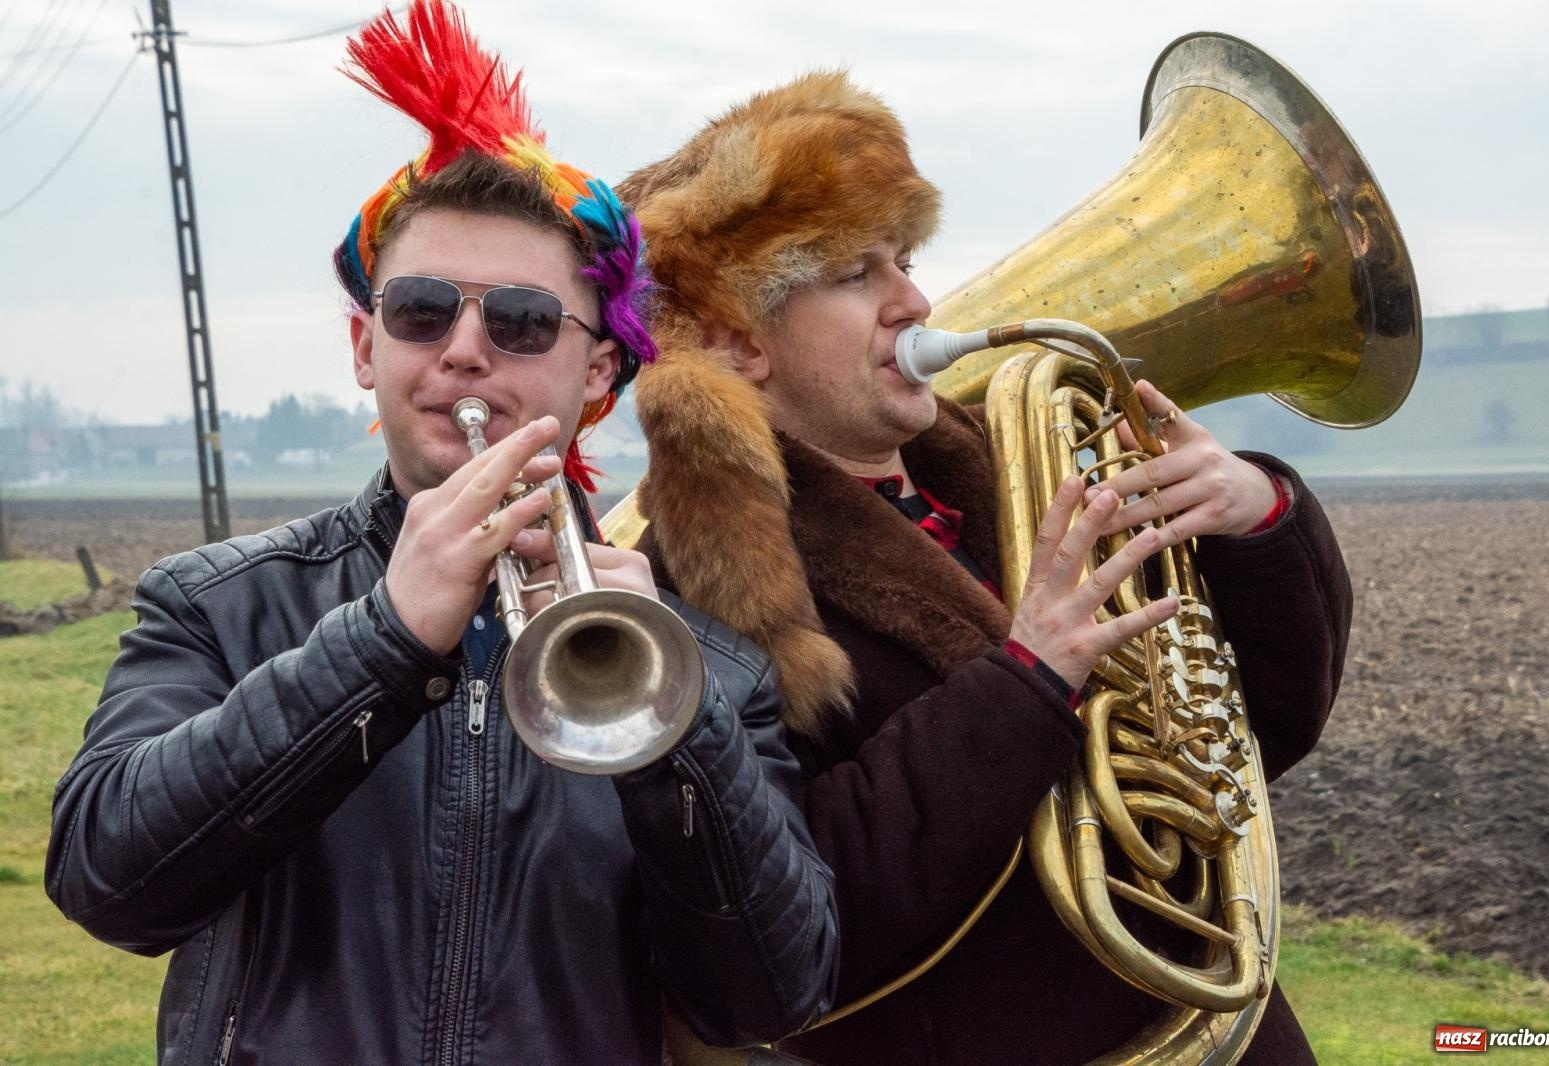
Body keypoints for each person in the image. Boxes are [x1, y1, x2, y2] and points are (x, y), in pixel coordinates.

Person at [44, 6, 837, 1063]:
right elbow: (107, 883)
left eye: (521, 322)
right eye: (422, 311)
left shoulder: (711, 671)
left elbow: (774, 997)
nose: (465, 350)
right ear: (364, 346)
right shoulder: (216, 603)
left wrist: (675, 729)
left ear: (598, 372)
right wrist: (381, 641)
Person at [617, 71, 1351, 1064]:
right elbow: (786, 922)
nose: (915, 301)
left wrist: (1253, 521)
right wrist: (1025, 683)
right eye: (857, 274)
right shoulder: (687, 588)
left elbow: (1256, 738)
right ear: (736, 340)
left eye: (906, 260)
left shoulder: (1034, 466)